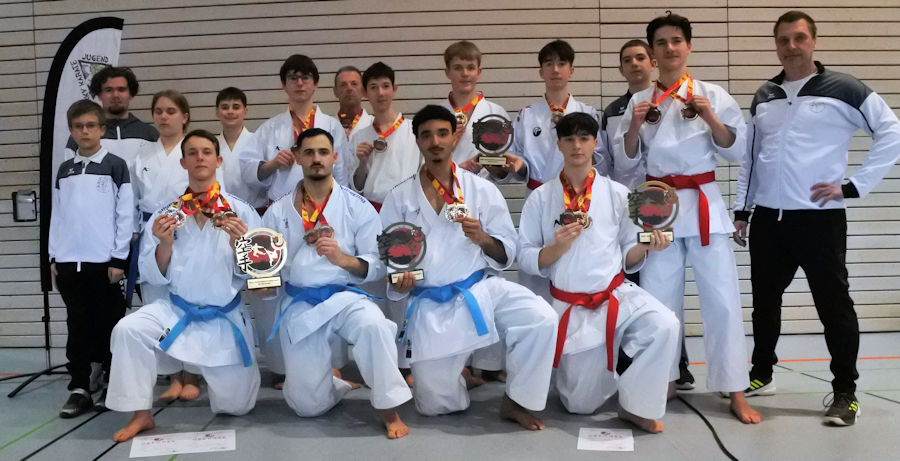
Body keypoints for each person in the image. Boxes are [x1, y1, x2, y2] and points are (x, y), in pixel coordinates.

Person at [733, 10, 900, 426]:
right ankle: (761, 375)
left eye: (799, 38)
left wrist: (854, 186)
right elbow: (751, 158)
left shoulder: (844, 88)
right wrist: (743, 211)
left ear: (813, 41)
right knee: (765, 305)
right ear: (776, 45)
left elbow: (891, 132)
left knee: (834, 306)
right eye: (783, 39)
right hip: (769, 220)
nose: (791, 46)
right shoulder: (765, 95)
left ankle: (845, 392)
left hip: (820, 220)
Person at [613, 13, 761, 423]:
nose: (670, 48)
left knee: (723, 300)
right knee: (660, 301)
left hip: (704, 203)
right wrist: (634, 127)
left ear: (688, 46)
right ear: (653, 53)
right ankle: (663, 381)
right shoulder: (640, 102)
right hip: (658, 207)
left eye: (676, 40)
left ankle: (735, 387)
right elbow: (625, 164)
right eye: (661, 42)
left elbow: (736, 150)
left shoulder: (712, 94)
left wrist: (710, 117)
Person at [379, 105, 557, 430]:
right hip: (430, 302)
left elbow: (507, 249)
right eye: (427, 135)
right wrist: (399, 279)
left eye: (442, 133)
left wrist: (483, 238)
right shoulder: (399, 197)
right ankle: (457, 375)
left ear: (453, 138)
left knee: (541, 318)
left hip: (478, 288)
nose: (435, 141)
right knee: (436, 407)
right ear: (418, 142)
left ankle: (517, 400)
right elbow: (390, 257)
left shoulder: (481, 189)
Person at [518, 112, 678, 433]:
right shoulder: (541, 197)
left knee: (665, 324)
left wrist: (647, 245)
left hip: (615, 294)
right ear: (559, 145)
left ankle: (635, 406)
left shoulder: (618, 193)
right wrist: (557, 248)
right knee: (580, 406)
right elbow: (524, 256)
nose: (576, 146)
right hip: (570, 303)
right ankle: (598, 375)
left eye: (584, 138)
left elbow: (629, 251)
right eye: (569, 139)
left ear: (595, 144)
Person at [106, 130, 261, 442]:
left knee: (237, 407)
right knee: (128, 329)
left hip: (223, 318)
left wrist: (239, 244)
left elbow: (255, 274)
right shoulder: (166, 215)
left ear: (218, 161)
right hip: (176, 311)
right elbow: (152, 274)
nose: (200, 157)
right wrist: (165, 243)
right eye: (192, 153)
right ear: (183, 162)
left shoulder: (242, 212)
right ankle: (140, 413)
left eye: (206, 152)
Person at [262, 128, 412, 439]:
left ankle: (388, 408)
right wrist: (264, 283)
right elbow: (269, 265)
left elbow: (378, 261)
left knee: (374, 327)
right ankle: (334, 386)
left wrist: (343, 259)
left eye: (322, 152)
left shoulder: (357, 206)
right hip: (300, 301)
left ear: (334, 157)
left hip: (346, 297)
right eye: (309, 153)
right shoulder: (277, 212)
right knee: (307, 407)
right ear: (298, 158)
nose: (316, 158)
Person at [602, 39, 696, 390]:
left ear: (653, 62)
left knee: (662, 287)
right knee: (628, 284)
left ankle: (676, 361)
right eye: (627, 59)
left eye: (640, 57)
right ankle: (629, 358)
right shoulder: (613, 111)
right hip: (626, 206)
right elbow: (608, 161)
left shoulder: (675, 102)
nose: (634, 64)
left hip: (661, 206)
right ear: (621, 68)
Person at [50, 100, 133, 418]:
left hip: (104, 263)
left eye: (90, 126)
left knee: (109, 324)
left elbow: (124, 214)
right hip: (69, 262)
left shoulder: (115, 165)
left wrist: (119, 259)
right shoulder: (65, 169)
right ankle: (80, 387)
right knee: (77, 325)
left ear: (101, 129)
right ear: (71, 131)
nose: (84, 131)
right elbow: (58, 215)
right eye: (78, 126)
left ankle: (111, 382)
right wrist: (54, 255)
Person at [68, 66, 158, 308]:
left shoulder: (149, 134)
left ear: (131, 93)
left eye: (121, 89)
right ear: (99, 94)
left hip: (140, 234)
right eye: (108, 90)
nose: (115, 95)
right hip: (99, 239)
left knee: (152, 302)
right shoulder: (82, 137)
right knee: (103, 307)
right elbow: (72, 192)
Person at [239, 54, 351, 202]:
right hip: (281, 207)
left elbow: (341, 173)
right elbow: (247, 169)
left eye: (305, 77)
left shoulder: (332, 126)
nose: (299, 83)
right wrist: (273, 164)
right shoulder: (270, 128)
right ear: (284, 84)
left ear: (315, 84)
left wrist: (339, 204)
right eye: (293, 78)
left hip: (324, 204)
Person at [510, 40, 603, 192]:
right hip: (537, 194)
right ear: (541, 72)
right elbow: (516, 155)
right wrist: (519, 165)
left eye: (561, 64)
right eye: (549, 64)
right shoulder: (526, 115)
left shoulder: (588, 112)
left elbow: (600, 157)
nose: (555, 70)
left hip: (578, 193)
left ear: (571, 71)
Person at [346, 61, 421, 211]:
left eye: (385, 86)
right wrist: (362, 163)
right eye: (374, 87)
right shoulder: (359, 136)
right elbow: (357, 187)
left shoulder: (415, 130)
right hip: (372, 209)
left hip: (407, 209)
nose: (380, 93)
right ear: (365, 93)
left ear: (394, 89)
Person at [438, 41, 517, 182]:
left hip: (484, 190)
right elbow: (424, 163)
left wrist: (498, 170)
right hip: (444, 188)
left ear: (478, 72)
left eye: (470, 68)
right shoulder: (434, 115)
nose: (465, 74)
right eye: (458, 68)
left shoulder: (496, 112)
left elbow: (506, 170)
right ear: (447, 73)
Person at [214, 87, 266, 209]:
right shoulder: (211, 145)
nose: (230, 111)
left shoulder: (259, 142)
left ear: (245, 112)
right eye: (225, 107)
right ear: (217, 113)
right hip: (221, 211)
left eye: (236, 107)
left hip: (255, 210)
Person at [332, 66, 374, 140]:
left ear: (363, 90)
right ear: (335, 91)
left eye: (354, 84)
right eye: (343, 85)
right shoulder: (326, 128)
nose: (349, 88)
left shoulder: (375, 125)